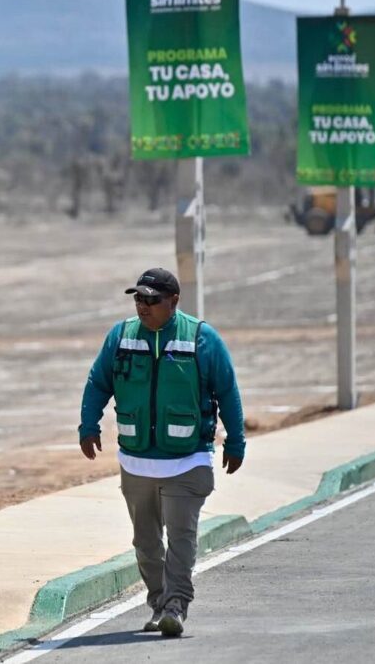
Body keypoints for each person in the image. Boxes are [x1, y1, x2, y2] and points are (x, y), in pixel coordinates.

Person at [78, 268, 244, 638]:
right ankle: (158, 602)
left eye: (152, 299)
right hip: (136, 461)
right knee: (146, 544)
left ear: (174, 301)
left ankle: (175, 606)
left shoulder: (202, 338)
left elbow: (227, 390)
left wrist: (235, 440)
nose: (143, 305)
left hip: (188, 459)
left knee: (181, 538)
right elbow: (98, 382)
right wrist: (88, 425)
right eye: (138, 298)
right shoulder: (121, 336)